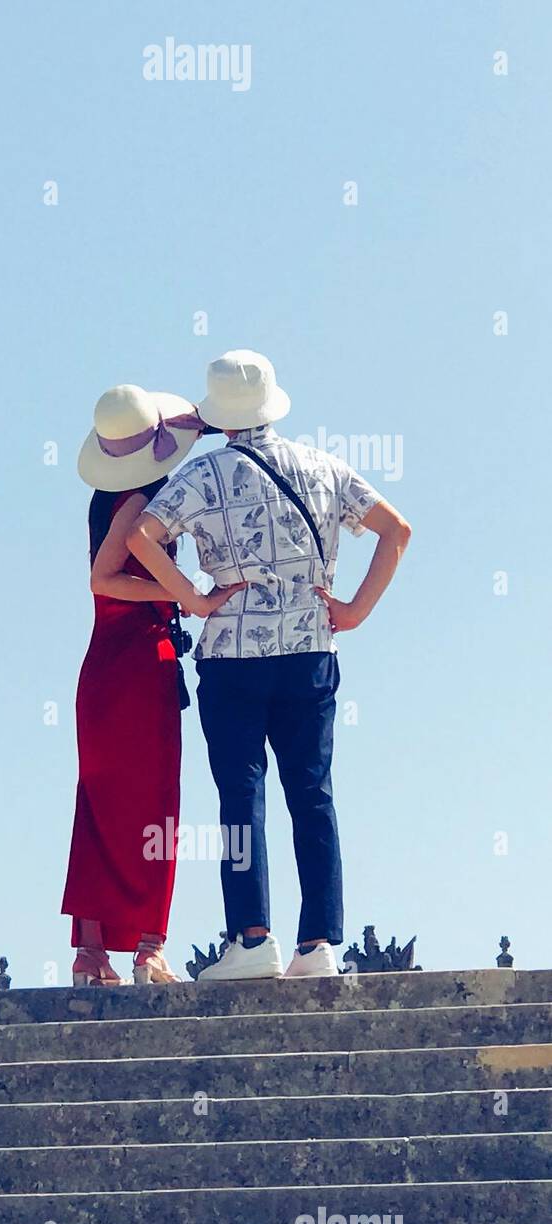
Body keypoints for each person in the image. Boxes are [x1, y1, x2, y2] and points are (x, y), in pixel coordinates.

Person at [127, 350, 411, 981]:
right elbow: (397, 531)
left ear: (220, 413)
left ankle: (252, 939)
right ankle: (319, 945)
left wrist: (194, 596)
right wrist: (356, 610)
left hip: (233, 657)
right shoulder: (322, 465)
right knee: (313, 795)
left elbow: (139, 537)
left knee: (241, 795)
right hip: (310, 651)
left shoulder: (204, 474)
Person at [62, 386, 242, 985]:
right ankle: (148, 948)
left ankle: (91, 955)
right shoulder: (142, 497)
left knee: (98, 806)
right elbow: (103, 579)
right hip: (141, 660)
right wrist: (185, 595)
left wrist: (216, 422)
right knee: (156, 805)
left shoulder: (103, 496)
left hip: (103, 668)